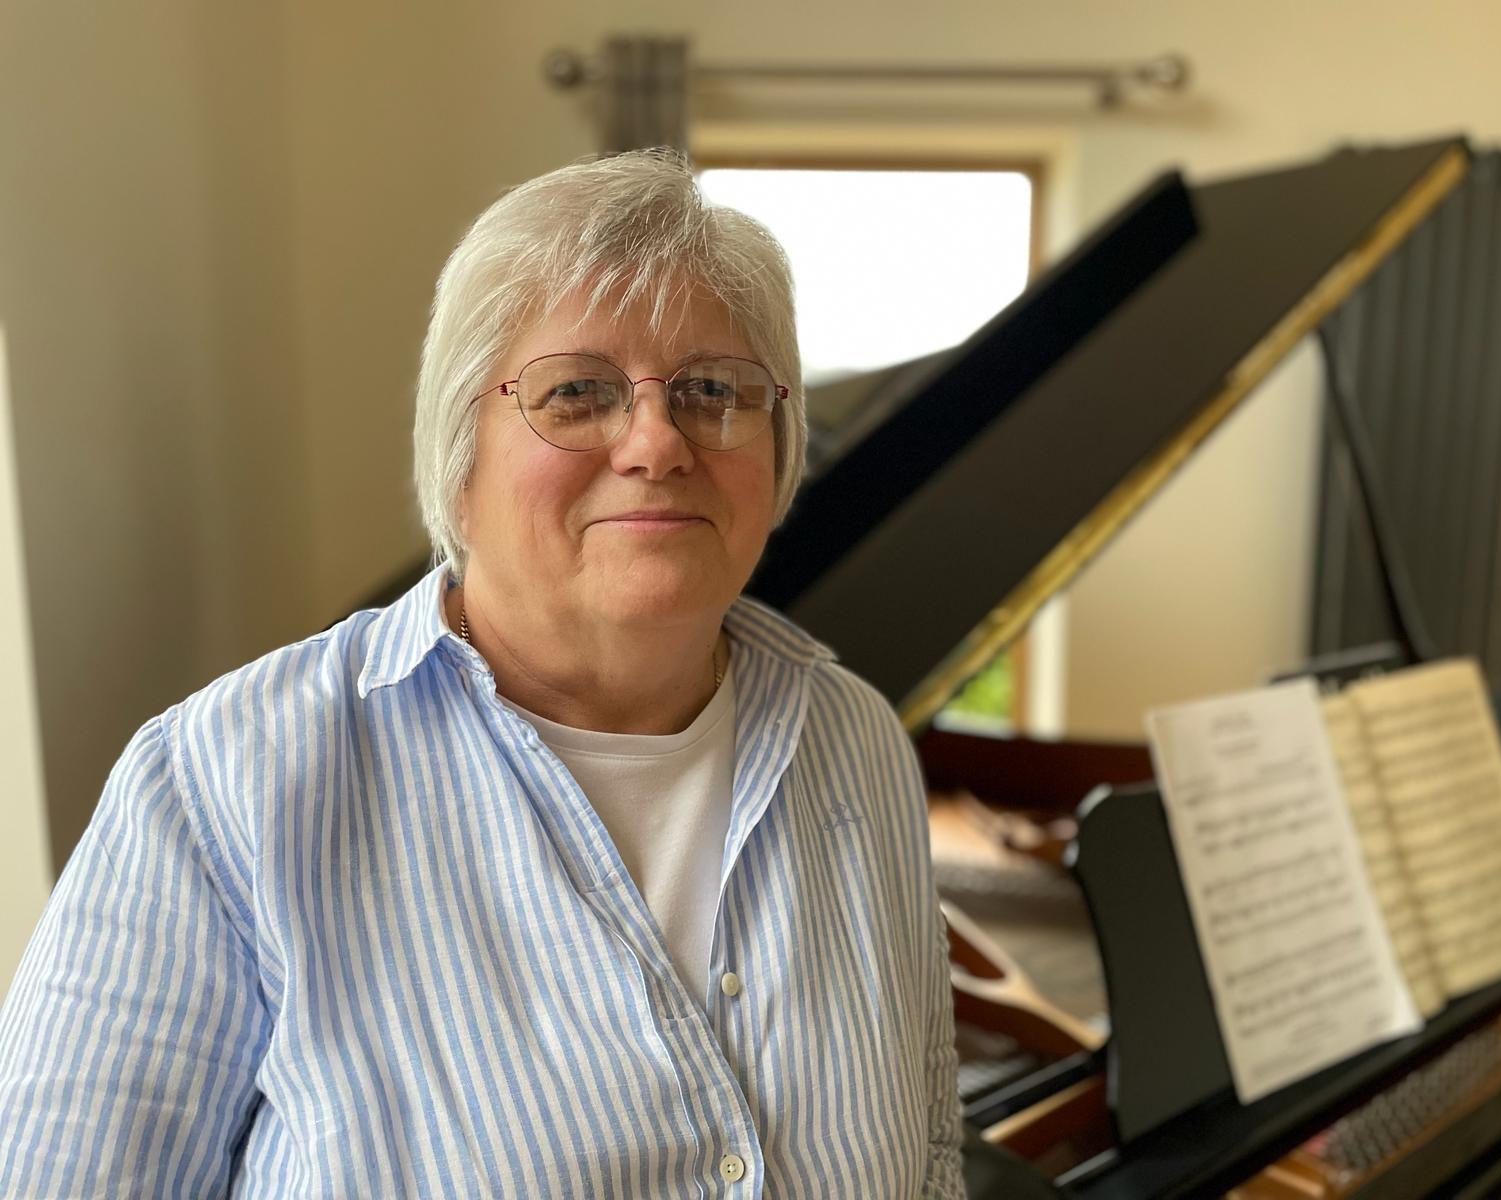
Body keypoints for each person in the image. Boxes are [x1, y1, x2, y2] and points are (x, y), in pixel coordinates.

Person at [0, 149, 966, 1198]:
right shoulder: (215, 788)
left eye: (709, 390)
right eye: (577, 392)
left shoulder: (854, 737)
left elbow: (927, 1154)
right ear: (458, 459)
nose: (654, 440)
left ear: (773, 443)